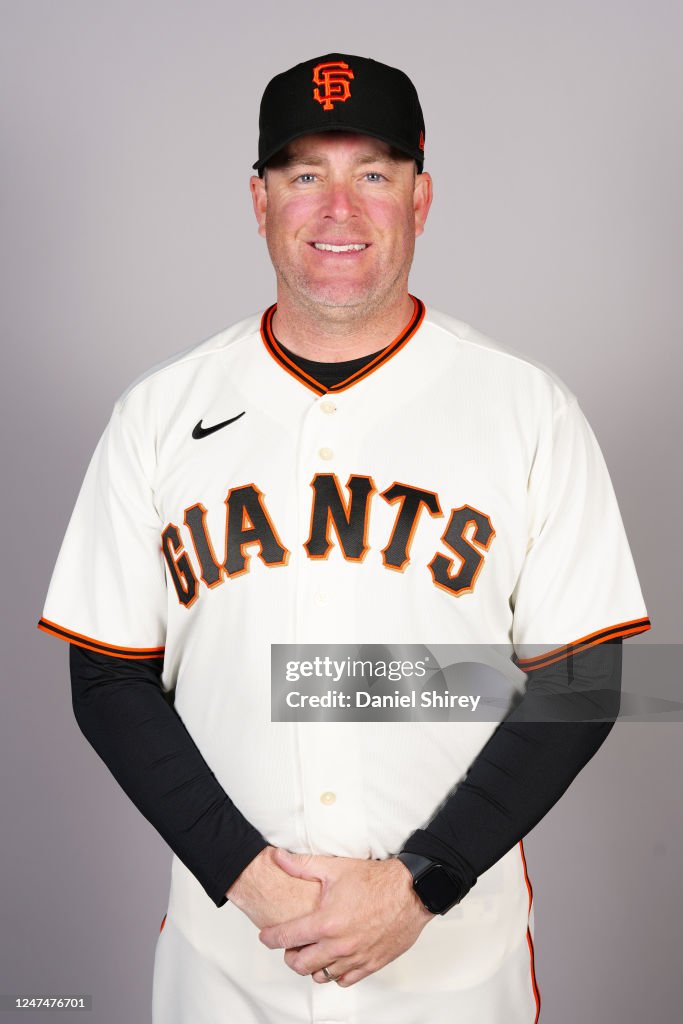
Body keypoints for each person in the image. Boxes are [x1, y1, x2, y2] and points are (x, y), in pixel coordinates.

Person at [38, 53, 651, 1023]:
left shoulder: (526, 409)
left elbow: (582, 679)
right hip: (226, 964)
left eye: (372, 172)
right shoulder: (157, 415)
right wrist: (250, 879)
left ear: (421, 196)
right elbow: (108, 679)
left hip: (451, 966)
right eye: (302, 173)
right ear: (258, 197)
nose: (338, 207)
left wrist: (416, 885)